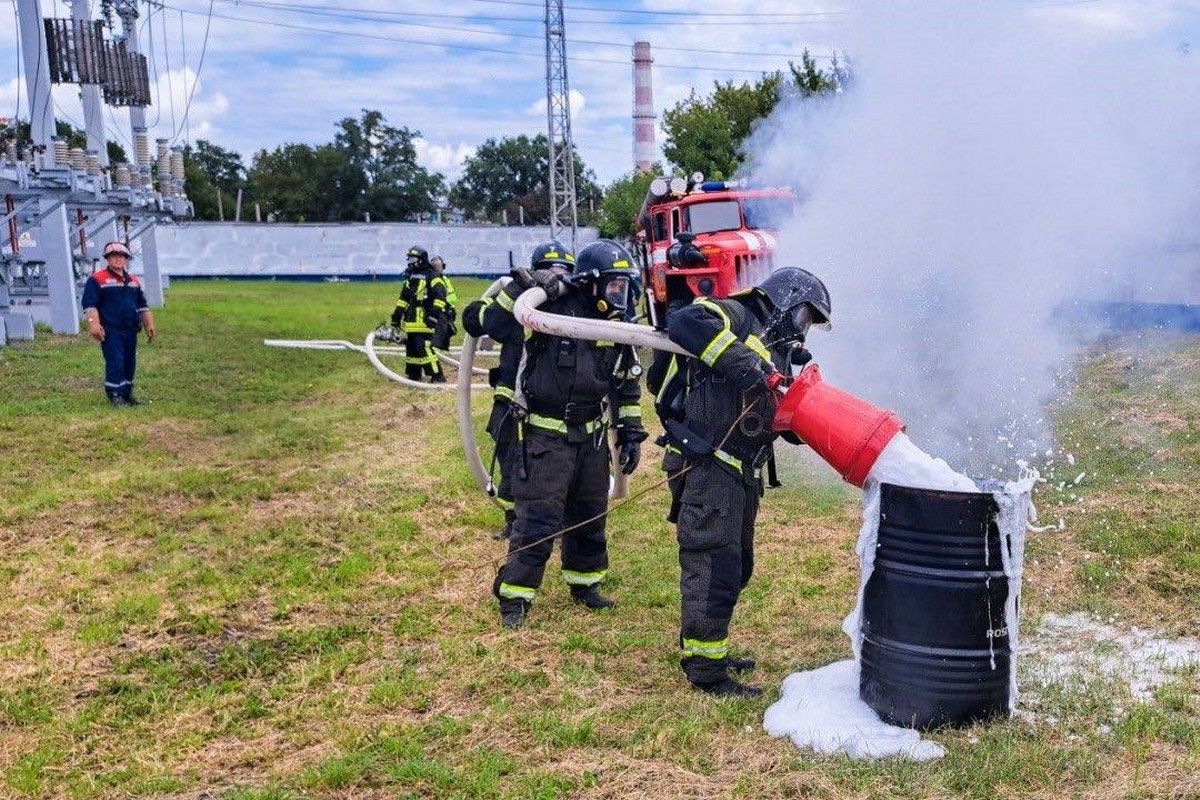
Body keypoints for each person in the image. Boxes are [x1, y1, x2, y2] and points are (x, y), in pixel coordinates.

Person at [653, 268, 832, 696]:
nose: (804, 329)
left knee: (735, 566)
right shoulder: (735, 313)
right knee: (712, 564)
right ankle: (705, 670)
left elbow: (773, 405)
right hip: (709, 466)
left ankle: (709, 647)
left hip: (741, 473)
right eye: (806, 317)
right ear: (787, 300)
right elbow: (684, 322)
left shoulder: (777, 347)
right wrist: (750, 366)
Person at [482, 239, 648, 629]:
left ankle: (585, 584)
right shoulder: (549, 307)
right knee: (538, 519)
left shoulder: (615, 324)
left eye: (623, 287)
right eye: (613, 286)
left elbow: (625, 383)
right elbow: (493, 325)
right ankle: (515, 598)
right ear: (590, 282)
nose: (619, 295)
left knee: (590, 514)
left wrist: (630, 430)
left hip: (591, 439)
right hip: (545, 437)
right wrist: (524, 288)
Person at [462, 241, 574, 540]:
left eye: (563, 271)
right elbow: (476, 321)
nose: (555, 278)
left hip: (556, 404)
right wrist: (515, 292)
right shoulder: (516, 302)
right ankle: (514, 521)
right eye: (547, 271)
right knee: (513, 463)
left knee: (556, 465)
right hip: (512, 400)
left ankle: (560, 521)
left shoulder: (575, 308)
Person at [80, 241, 157, 406]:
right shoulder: (97, 279)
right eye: (113, 256)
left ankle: (127, 393)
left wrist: (149, 325)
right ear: (107, 258)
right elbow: (90, 305)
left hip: (130, 330)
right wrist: (94, 324)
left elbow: (142, 306)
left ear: (126, 259)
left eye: (121, 256)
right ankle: (114, 394)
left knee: (129, 361)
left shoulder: (133, 281)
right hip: (111, 330)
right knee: (115, 360)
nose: (117, 259)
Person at [391, 246, 449, 382]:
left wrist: (433, 317)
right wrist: (396, 316)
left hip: (424, 320)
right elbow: (403, 299)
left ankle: (437, 376)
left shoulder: (432, 276)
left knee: (424, 348)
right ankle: (414, 374)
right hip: (410, 321)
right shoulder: (410, 277)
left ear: (421, 260)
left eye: (413, 259)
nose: (410, 262)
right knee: (411, 349)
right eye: (409, 259)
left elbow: (440, 297)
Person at [429, 255, 459, 352]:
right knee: (439, 334)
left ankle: (442, 350)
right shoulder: (434, 280)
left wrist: (451, 309)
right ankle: (435, 352)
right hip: (440, 311)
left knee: (447, 332)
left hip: (448, 311)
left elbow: (450, 295)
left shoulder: (444, 279)